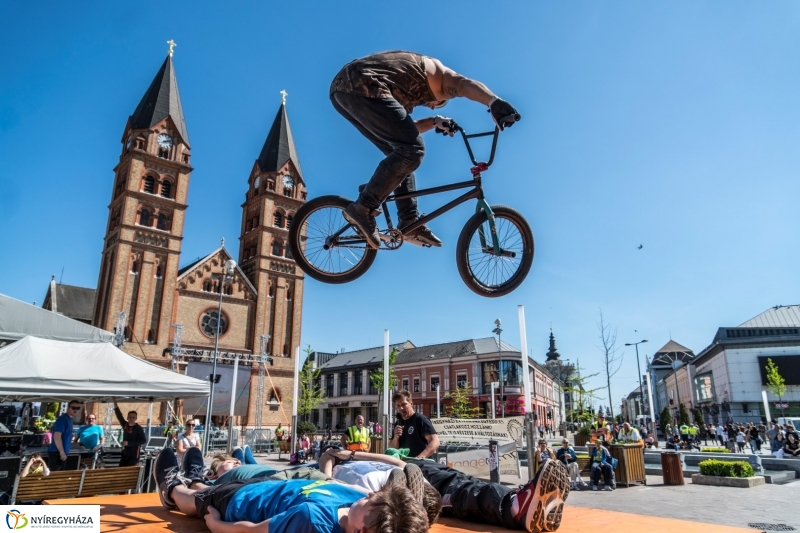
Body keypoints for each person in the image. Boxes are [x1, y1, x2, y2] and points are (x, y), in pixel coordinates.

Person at [330, 51, 519, 249]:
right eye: (438, 104)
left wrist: (434, 122)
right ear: (443, 95)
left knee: (403, 155)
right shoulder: (439, 74)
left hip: (344, 92)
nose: (430, 107)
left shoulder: (404, 91)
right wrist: (493, 101)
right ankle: (363, 206)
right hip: (362, 84)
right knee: (413, 151)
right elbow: (463, 84)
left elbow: (403, 128)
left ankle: (409, 221)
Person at [152, 447, 429, 533]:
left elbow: (253, 531)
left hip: (240, 503)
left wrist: (218, 526)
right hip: (270, 487)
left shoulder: (312, 522)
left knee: (195, 501)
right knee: (204, 487)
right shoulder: (361, 501)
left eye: (371, 501)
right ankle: (193, 476)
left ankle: (172, 489)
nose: (368, 494)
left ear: (361, 531)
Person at [319, 447, 569, 533]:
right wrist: (331, 458)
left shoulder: (354, 459)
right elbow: (324, 482)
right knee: (459, 495)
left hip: (417, 468)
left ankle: (517, 498)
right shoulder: (343, 477)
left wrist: (352, 453)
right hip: (407, 489)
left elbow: (395, 460)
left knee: (466, 481)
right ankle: (515, 507)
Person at [389, 390, 439, 459]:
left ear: (411, 403)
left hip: (419, 465)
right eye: (398, 406)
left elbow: (435, 441)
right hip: (403, 464)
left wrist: (420, 458)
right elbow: (392, 449)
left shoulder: (420, 419)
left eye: (404, 404)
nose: (401, 408)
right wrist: (396, 437)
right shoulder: (398, 423)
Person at [113, 398, 147, 467]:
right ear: (127, 418)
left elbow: (143, 440)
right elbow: (119, 415)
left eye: (133, 417)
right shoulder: (125, 425)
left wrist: (129, 443)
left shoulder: (139, 428)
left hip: (134, 455)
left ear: (136, 418)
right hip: (124, 454)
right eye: (130, 417)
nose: (131, 419)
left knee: (130, 472)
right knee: (120, 472)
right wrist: (115, 402)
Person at [48, 400, 80, 471]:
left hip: (62, 453)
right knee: (54, 477)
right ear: (68, 408)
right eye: (73, 408)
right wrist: (61, 452)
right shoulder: (62, 419)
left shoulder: (70, 419)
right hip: (57, 453)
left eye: (78, 408)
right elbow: (57, 436)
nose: (76, 410)